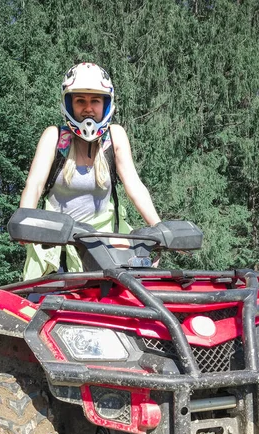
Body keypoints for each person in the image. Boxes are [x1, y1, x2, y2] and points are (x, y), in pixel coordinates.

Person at [20, 62, 160, 278]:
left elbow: (134, 185)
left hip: (106, 248)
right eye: (80, 100)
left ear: (106, 103)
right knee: (40, 307)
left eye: (95, 100)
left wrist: (159, 228)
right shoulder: (55, 137)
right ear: (69, 103)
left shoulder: (114, 137)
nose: (88, 108)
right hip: (57, 246)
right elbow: (35, 184)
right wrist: (25, 221)